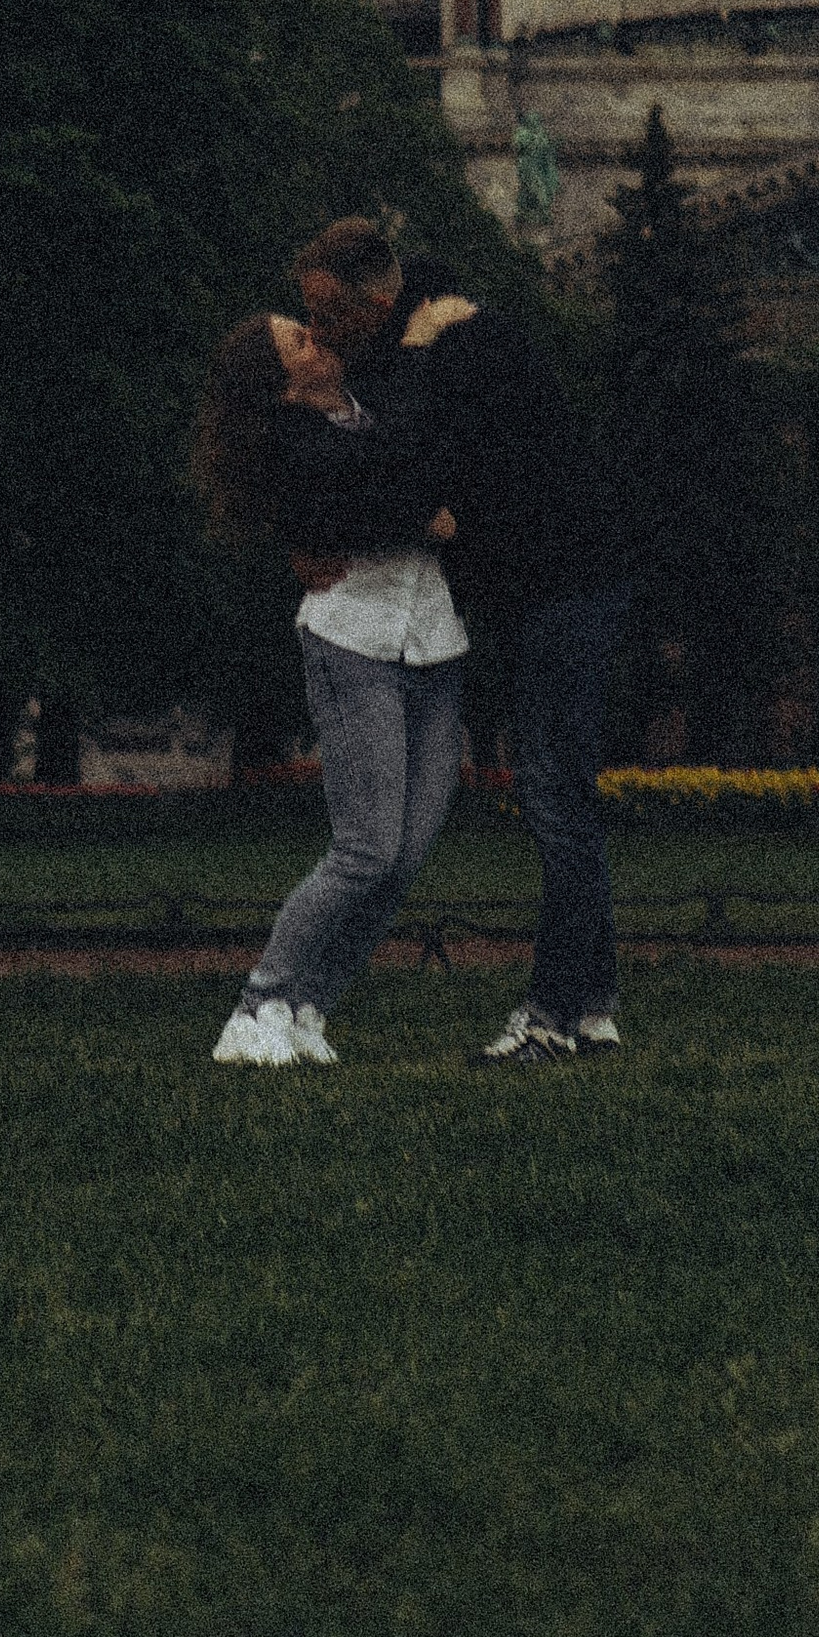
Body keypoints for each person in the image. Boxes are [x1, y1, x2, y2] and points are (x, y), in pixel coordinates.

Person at [294, 217, 628, 1062]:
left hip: (560, 584)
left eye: (329, 313)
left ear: (375, 299)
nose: (323, 332)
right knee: (564, 798)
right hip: (562, 581)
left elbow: (405, 454)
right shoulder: (431, 326)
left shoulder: (449, 340)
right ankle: (590, 1006)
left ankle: (553, 1018)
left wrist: (409, 367)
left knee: (556, 801)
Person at [191, 306, 465, 1065]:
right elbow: (374, 493)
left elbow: (419, 467)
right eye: (302, 342)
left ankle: (309, 1007)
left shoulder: (370, 404)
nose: (321, 338)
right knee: (367, 850)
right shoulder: (295, 442)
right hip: (352, 639)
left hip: (433, 640)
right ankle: (254, 1011)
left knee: (405, 858)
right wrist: (420, 512)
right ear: (283, 387)